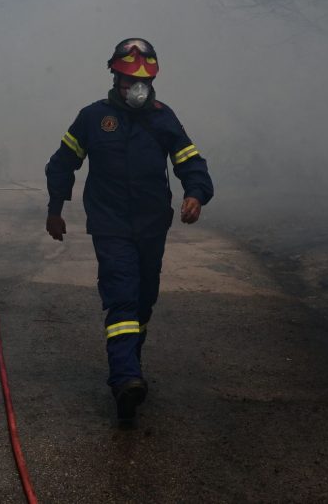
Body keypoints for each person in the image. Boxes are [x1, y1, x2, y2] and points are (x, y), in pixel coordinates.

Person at [44, 38, 214, 424]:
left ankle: (131, 369)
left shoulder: (162, 117)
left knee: (142, 301)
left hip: (153, 225)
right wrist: (55, 209)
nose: (135, 89)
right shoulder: (93, 118)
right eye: (127, 81)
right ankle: (124, 379)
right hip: (110, 224)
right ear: (115, 78)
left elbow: (190, 160)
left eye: (142, 82)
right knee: (121, 295)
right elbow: (62, 163)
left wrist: (196, 194)